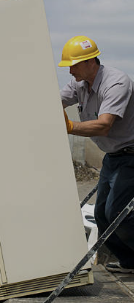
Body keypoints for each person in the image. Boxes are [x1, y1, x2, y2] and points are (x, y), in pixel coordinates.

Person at [59, 35, 134, 273]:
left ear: (90, 61)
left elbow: (104, 125)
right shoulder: (80, 84)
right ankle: (130, 263)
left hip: (131, 157)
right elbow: (53, 101)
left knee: (119, 214)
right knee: (102, 215)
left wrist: (69, 127)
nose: (70, 70)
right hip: (112, 157)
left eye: (74, 65)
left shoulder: (116, 83)